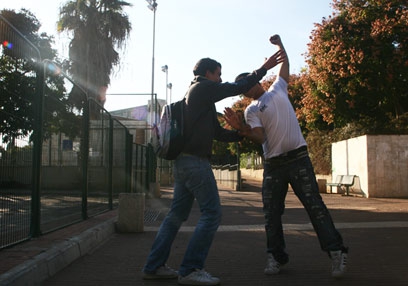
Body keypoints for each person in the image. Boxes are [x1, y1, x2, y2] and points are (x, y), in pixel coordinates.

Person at [142, 51, 286, 286]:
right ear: (208, 73)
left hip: (185, 163)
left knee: (175, 216)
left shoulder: (200, 101)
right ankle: (190, 269)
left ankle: (153, 266)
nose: (220, 79)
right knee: (212, 214)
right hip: (195, 163)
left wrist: (241, 134)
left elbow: (217, 133)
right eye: (218, 74)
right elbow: (235, 87)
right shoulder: (201, 88)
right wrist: (264, 68)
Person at [224, 34, 348, 278]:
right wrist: (243, 130)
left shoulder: (277, 88)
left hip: (299, 159)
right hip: (274, 165)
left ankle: (337, 252)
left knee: (316, 207)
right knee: (271, 213)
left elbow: (285, 65)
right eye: (246, 85)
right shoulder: (252, 110)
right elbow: (260, 138)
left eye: (252, 81)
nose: (252, 86)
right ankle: (276, 257)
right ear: (245, 92)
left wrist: (280, 46)